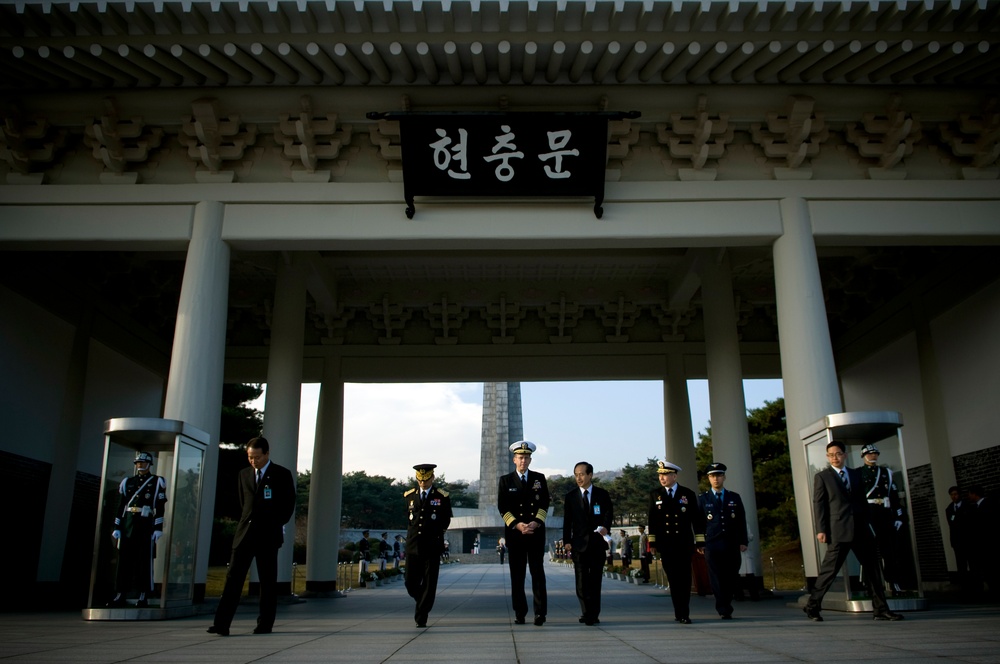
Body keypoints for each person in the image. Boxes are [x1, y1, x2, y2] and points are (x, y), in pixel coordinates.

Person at [803, 440, 903, 622]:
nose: (835, 458)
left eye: (838, 454)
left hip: (861, 529)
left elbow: (863, 501)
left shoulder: (855, 474)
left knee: (873, 570)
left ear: (845, 455)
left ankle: (881, 609)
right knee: (829, 571)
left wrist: (869, 524)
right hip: (839, 530)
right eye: (831, 455)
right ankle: (812, 606)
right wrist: (821, 529)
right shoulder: (823, 477)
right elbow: (819, 505)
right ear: (827, 457)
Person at [208, 437, 296, 636]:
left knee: (267, 581)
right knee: (233, 578)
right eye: (250, 457)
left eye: (257, 457)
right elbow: (243, 503)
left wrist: (274, 524)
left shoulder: (281, 474)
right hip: (244, 534)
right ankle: (221, 624)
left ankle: (265, 623)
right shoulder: (244, 474)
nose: (253, 461)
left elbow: (288, 505)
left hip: (268, 536)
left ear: (267, 454)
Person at [497, 440, 550, 626]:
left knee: (538, 574)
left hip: (535, 533)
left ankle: (540, 613)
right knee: (517, 576)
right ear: (514, 459)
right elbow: (502, 507)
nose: (523, 461)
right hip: (516, 535)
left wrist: (536, 522)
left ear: (530, 460)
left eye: (526, 458)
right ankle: (520, 612)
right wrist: (517, 525)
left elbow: (544, 503)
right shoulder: (505, 480)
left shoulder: (539, 478)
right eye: (520, 457)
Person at [647, 460, 705, 624]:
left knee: (684, 578)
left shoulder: (687, 494)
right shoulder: (655, 495)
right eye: (660, 475)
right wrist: (653, 543)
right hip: (666, 544)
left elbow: (697, 519)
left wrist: (700, 541)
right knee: (673, 579)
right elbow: (652, 520)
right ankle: (678, 611)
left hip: (683, 543)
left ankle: (684, 612)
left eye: (665, 475)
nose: (662, 478)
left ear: (674, 476)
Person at [108, 451, 167, 608]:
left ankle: (143, 594)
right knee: (124, 561)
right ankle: (121, 593)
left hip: (145, 525)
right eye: (138, 462)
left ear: (149, 464)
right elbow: (121, 506)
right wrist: (117, 526)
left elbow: (160, 507)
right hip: (128, 524)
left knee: (143, 561)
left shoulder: (156, 482)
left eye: (143, 462)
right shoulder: (128, 482)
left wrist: (157, 527)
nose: (140, 465)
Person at [563, 461, 614, 625]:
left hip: (597, 544)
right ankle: (586, 612)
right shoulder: (571, 496)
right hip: (579, 545)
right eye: (576, 475)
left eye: (582, 474)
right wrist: (567, 541)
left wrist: (606, 527)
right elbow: (567, 521)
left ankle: (594, 613)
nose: (578, 478)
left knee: (595, 581)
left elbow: (608, 513)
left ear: (590, 475)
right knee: (581, 581)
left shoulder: (602, 494)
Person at [697, 462, 748, 619]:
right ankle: (723, 608)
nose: (716, 479)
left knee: (731, 575)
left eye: (719, 475)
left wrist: (743, 541)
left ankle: (726, 601)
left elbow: (741, 520)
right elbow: (699, 523)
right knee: (716, 577)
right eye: (712, 476)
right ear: (708, 478)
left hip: (731, 543)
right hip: (712, 544)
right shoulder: (703, 499)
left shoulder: (734, 497)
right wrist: (700, 543)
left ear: (724, 477)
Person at [404, 463, 452, 628]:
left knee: (429, 584)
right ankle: (422, 600)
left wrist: (437, 534)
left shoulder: (441, 496)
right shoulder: (409, 496)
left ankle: (421, 615)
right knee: (410, 583)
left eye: (426, 479)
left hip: (432, 545)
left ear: (432, 478)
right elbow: (409, 520)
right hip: (413, 545)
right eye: (420, 480)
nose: (423, 483)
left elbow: (446, 520)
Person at [857, 443, 907, 591]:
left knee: (889, 550)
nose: (873, 456)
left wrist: (898, 517)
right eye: (869, 453)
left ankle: (893, 581)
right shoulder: (858, 473)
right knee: (870, 550)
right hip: (869, 514)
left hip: (885, 513)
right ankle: (870, 583)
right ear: (863, 456)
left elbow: (894, 496)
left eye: (875, 453)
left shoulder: (886, 472)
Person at [945, 486, 972, 592]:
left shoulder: (968, 506)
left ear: (959, 494)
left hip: (969, 541)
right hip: (957, 542)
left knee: (973, 564)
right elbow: (951, 524)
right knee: (961, 566)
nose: (954, 496)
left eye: (955, 494)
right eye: (952, 495)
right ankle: (965, 588)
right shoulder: (949, 509)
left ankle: (976, 587)